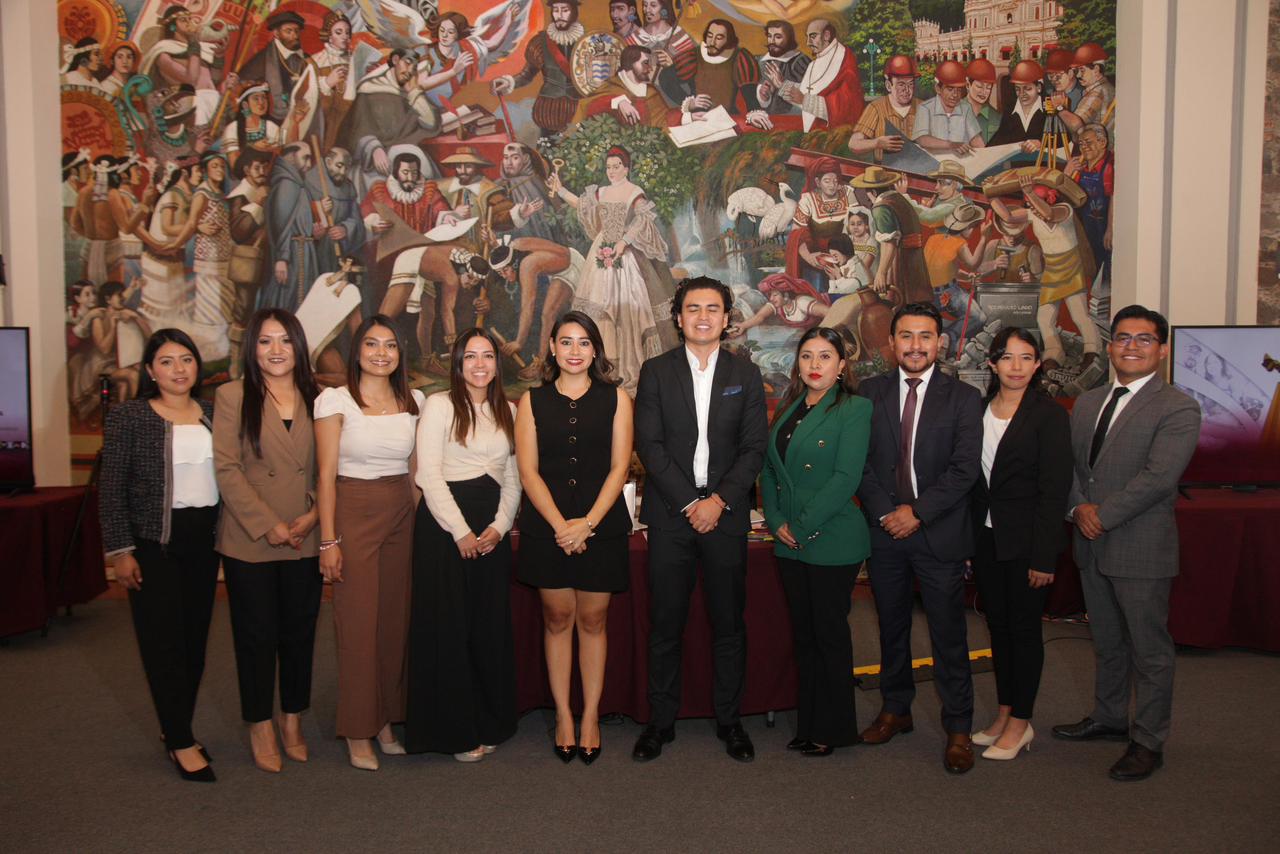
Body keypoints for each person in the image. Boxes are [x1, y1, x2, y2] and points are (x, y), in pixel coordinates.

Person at [1053, 305, 1201, 782]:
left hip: (1139, 547)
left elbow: (1159, 478)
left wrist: (1101, 515)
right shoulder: (1088, 402)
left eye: (1144, 339)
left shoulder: (1178, 406)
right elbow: (1070, 469)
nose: (1131, 346)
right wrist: (1079, 509)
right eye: (1122, 338)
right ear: (1110, 345)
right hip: (1090, 543)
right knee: (1107, 642)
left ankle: (1149, 740)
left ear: (1162, 349)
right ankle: (1109, 717)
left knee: (1149, 650)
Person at [632, 277, 768, 763]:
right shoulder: (655, 371)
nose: (703, 317)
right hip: (672, 517)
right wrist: (692, 503)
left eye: (713, 308)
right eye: (693, 308)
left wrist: (719, 501)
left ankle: (730, 721)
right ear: (678, 317)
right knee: (666, 623)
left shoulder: (745, 373)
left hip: (726, 517)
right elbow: (649, 445)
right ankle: (660, 722)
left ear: (727, 318)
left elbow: (754, 448)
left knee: (728, 624)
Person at [854, 302, 982, 774]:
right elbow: (860, 462)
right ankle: (896, 709)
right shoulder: (869, 393)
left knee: (949, 635)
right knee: (891, 628)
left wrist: (918, 513)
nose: (915, 345)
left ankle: (958, 728)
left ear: (940, 342)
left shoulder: (964, 398)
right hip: (885, 532)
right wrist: (887, 513)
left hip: (938, 533)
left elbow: (964, 469)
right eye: (906, 336)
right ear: (891, 343)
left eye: (925, 336)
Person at [99, 328, 219, 782]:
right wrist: (121, 551)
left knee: (194, 644)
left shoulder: (212, 413)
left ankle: (176, 727)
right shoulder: (130, 416)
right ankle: (182, 741)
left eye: (186, 359)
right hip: (154, 545)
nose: (178, 369)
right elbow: (111, 489)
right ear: (150, 370)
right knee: (163, 644)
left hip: (204, 543)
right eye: (166, 361)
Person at [516, 312, 634, 764]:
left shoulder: (616, 398)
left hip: (601, 527)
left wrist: (586, 524)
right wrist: (561, 526)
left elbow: (619, 467)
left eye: (584, 342)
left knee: (594, 620)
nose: (574, 351)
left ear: (595, 349)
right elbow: (528, 471)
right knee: (557, 618)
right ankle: (564, 715)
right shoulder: (531, 401)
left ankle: (590, 716)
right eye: (566, 342)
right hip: (547, 529)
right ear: (551, 347)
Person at [212, 309, 322, 774]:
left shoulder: (320, 396)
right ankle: (259, 722)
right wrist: (268, 523)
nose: (276, 350)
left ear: (299, 346)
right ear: (252, 349)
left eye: (284, 340)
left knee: (299, 633)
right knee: (255, 636)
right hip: (251, 537)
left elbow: (328, 466)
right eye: (264, 341)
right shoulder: (232, 395)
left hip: (305, 535)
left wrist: (314, 512)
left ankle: (292, 718)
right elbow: (227, 468)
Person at [314, 315, 425, 770]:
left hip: (401, 512)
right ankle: (357, 729)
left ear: (401, 353)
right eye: (372, 344)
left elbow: (415, 473)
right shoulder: (335, 400)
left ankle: (385, 720)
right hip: (353, 510)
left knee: (394, 623)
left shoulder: (414, 399)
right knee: (358, 625)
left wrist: (423, 530)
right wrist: (328, 541)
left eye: (391, 345)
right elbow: (325, 475)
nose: (382, 353)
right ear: (357, 350)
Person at [407, 329, 521, 762]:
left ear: (497, 363)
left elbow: (513, 478)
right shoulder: (439, 405)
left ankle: (491, 720)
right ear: (458, 363)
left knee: (487, 626)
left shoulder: (509, 409)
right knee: (449, 627)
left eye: (487, 355)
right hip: (444, 528)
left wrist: (500, 525)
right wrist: (460, 531)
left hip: (491, 528)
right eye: (470, 356)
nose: (479, 364)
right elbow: (428, 475)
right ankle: (454, 731)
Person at [760, 327, 871, 756]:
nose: (815, 365)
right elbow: (770, 471)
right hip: (789, 539)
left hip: (831, 538)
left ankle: (834, 728)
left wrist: (800, 526)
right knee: (804, 637)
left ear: (842, 364)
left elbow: (846, 478)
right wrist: (775, 520)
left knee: (829, 636)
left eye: (825, 356)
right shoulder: (789, 407)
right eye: (807, 356)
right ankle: (809, 724)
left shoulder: (855, 408)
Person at [968, 327, 1072, 761]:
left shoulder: (1049, 416)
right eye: (1007, 357)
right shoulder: (976, 410)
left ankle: (1022, 721)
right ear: (992, 363)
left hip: (1028, 542)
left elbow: (1054, 491)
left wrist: (1044, 556)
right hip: (985, 538)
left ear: (1037, 364)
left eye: (1026, 358)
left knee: (1025, 631)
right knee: (998, 628)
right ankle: (1005, 712)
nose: (1016, 367)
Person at [548, 145, 679, 394]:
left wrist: (624, 242)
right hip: (600, 254)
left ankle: (631, 367)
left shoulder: (634, 191)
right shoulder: (602, 191)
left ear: (626, 168)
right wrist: (561, 189)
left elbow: (643, 220)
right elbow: (581, 205)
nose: (612, 171)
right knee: (600, 307)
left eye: (616, 166)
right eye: (608, 167)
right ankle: (605, 367)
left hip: (626, 256)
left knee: (627, 309)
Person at [490, 0, 585, 139]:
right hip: (550, 111)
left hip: (579, 109)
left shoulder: (589, 42)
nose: (559, 15)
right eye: (556, 10)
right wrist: (509, 82)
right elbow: (526, 75)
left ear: (574, 12)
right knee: (547, 149)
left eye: (565, 10)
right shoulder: (541, 42)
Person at [848, 55, 920, 163]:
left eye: (910, 84)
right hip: (884, 169)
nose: (907, 90)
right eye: (901, 84)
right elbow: (853, 144)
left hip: (919, 168)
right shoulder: (876, 108)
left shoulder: (923, 107)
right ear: (888, 86)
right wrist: (877, 143)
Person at [912, 60, 984, 156]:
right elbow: (922, 139)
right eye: (950, 89)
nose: (955, 95)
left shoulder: (965, 108)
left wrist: (985, 155)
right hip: (936, 163)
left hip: (963, 163)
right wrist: (951, 145)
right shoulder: (925, 108)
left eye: (959, 90)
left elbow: (976, 139)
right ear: (938, 89)